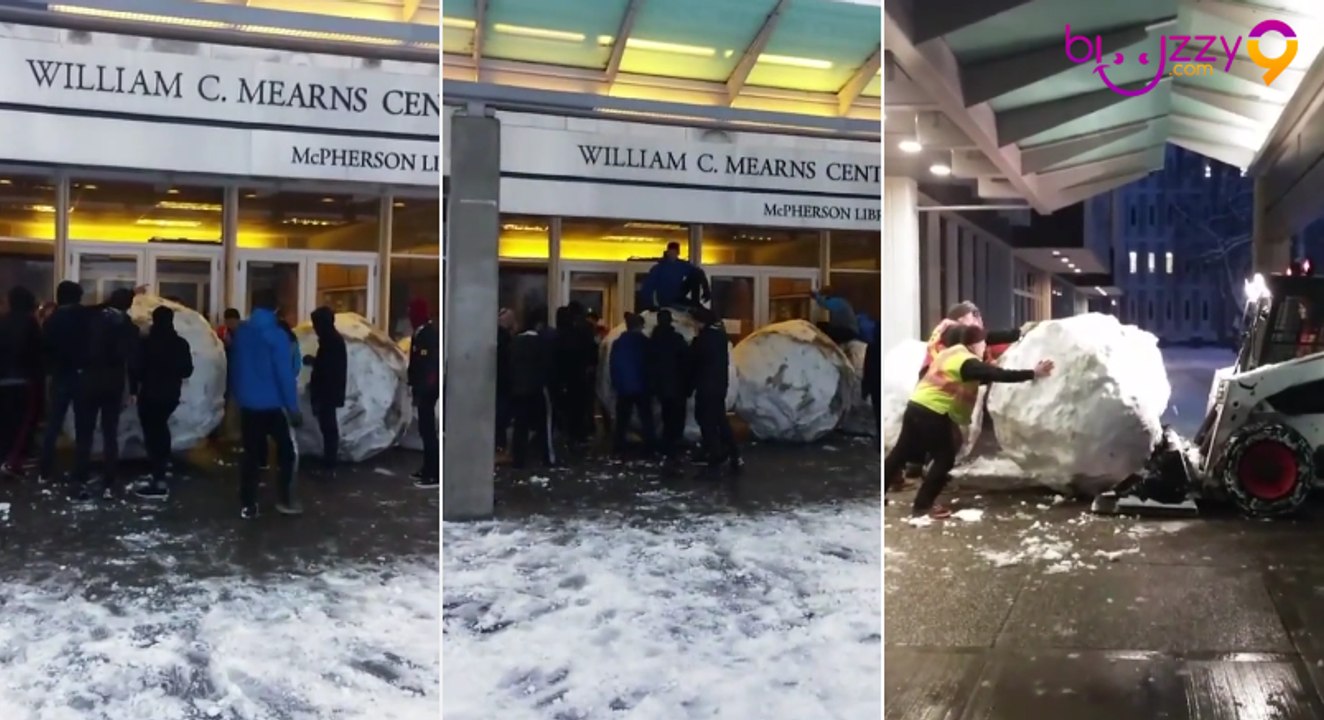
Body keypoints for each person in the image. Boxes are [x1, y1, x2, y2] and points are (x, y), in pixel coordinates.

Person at [886, 325, 1054, 519]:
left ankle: (881, 493)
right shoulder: (967, 361)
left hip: (916, 405)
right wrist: (1033, 373)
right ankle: (923, 506)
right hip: (933, 412)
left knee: (900, 452)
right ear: (975, 344)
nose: (984, 348)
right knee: (944, 458)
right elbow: (998, 375)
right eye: (983, 344)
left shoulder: (951, 354)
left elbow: (969, 378)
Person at [230, 290, 302, 519]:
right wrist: (293, 408)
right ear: (275, 309)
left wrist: (237, 395)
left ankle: (248, 503)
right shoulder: (276, 336)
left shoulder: (242, 332)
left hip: (248, 405)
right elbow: (284, 375)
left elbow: (235, 366)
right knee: (286, 452)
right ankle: (284, 499)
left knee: (250, 454)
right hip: (272, 405)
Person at [72, 288, 140, 502]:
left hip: (88, 381)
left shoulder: (91, 319)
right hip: (113, 384)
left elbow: (79, 348)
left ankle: (80, 479)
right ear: (128, 305)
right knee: (110, 432)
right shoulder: (129, 327)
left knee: (85, 432)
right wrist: (133, 389)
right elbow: (133, 361)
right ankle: (109, 480)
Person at [130, 305, 193, 499]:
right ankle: (162, 466)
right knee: (161, 427)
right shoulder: (180, 343)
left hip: (149, 393)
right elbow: (187, 371)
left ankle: (158, 477)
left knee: (153, 432)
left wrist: (134, 389)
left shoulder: (146, 343)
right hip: (171, 394)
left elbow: (136, 369)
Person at [38, 281, 88, 484]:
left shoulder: (52, 320)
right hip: (82, 375)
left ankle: (45, 470)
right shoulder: (86, 317)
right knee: (83, 424)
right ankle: (81, 471)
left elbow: (45, 349)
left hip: (60, 375)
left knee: (53, 424)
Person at [690, 307, 740, 473]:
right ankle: (733, 452)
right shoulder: (720, 337)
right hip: (719, 385)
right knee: (720, 420)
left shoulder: (702, 340)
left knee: (706, 420)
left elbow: (695, 363)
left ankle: (715, 454)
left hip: (706, 386)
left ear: (700, 322)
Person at [0, 287, 43, 477]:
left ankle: (5, 457)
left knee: (5, 422)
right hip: (24, 380)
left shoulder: (3, 322)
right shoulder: (30, 323)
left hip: (3, 379)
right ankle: (13, 461)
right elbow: (37, 352)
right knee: (22, 424)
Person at [510, 309, 554, 469]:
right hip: (536, 389)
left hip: (519, 389)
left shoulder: (515, 342)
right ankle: (546, 457)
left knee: (520, 425)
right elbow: (547, 366)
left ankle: (518, 458)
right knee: (543, 425)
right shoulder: (541, 343)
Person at [304, 307, 346, 473]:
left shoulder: (330, 341)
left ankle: (330, 462)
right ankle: (329, 460)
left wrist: (317, 389)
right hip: (329, 391)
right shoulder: (331, 340)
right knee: (328, 426)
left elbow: (328, 369)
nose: (314, 328)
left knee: (328, 427)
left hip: (327, 392)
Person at [648, 309, 690, 463]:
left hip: (661, 385)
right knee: (676, 416)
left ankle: (666, 444)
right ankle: (673, 444)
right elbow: (686, 360)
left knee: (666, 415)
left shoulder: (654, 340)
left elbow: (650, 363)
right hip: (677, 384)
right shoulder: (676, 339)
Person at [610, 313, 655, 455]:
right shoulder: (645, 343)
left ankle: (618, 445)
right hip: (642, 385)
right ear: (640, 326)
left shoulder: (618, 342)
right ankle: (649, 446)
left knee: (622, 419)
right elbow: (650, 364)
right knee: (646, 418)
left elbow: (614, 364)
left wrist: (616, 382)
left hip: (624, 386)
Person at [407, 298, 439, 487]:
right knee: (424, 430)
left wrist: (425, 388)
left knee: (428, 431)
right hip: (423, 388)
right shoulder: (419, 333)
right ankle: (427, 468)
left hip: (427, 390)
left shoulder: (428, 334)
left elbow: (429, 365)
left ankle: (433, 472)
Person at [639, 242, 708, 311]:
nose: (672, 255)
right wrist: (649, 305)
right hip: (666, 300)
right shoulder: (659, 268)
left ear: (678, 253)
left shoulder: (681, 265)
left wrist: (706, 289)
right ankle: (692, 307)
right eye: (671, 252)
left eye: (674, 253)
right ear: (667, 253)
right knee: (690, 310)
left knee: (695, 274)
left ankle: (695, 303)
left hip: (678, 297)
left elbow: (698, 272)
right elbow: (648, 286)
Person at [495, 307, 515, 459]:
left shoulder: (495, 336)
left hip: (498, 381)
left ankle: (499, 445)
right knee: (501, 416)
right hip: (503, 382)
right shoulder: (506, 338)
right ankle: (500, 446)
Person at [864, 332, 880, 448]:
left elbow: (867, 366)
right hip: (876, 382)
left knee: (877, 411)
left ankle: (879, 438)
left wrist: (865, 386)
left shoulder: (873, 345)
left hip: (875, 383)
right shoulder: (874, 345)